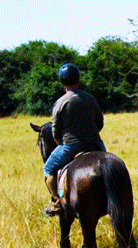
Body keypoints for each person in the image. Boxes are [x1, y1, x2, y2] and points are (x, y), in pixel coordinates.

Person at [43, 63, 106, 216]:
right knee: (106, 164)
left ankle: (56, 203)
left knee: (48, 169)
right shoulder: (90, 99)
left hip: (70, 145)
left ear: (62, 82)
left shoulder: (60, 103)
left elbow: (55, 130)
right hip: (95, 142)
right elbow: (100, 122)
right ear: (78, 80)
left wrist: (59, 140)